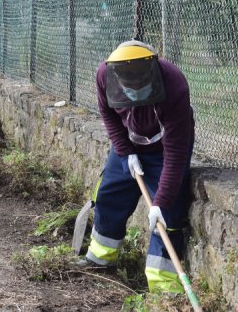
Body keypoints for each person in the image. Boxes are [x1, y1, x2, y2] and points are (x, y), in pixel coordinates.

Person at [79, 40, 195, 294]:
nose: (135, 92)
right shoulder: (104, 75)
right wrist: (125, 151)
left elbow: (175, 155)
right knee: (109, 194)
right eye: (129, 88)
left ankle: (165, 289)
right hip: (129, 144)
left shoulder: (173, 83)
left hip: (165, 148)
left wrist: (160, 203)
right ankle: (100, 258)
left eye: (141, 87)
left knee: (170, 215)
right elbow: (107, 114)